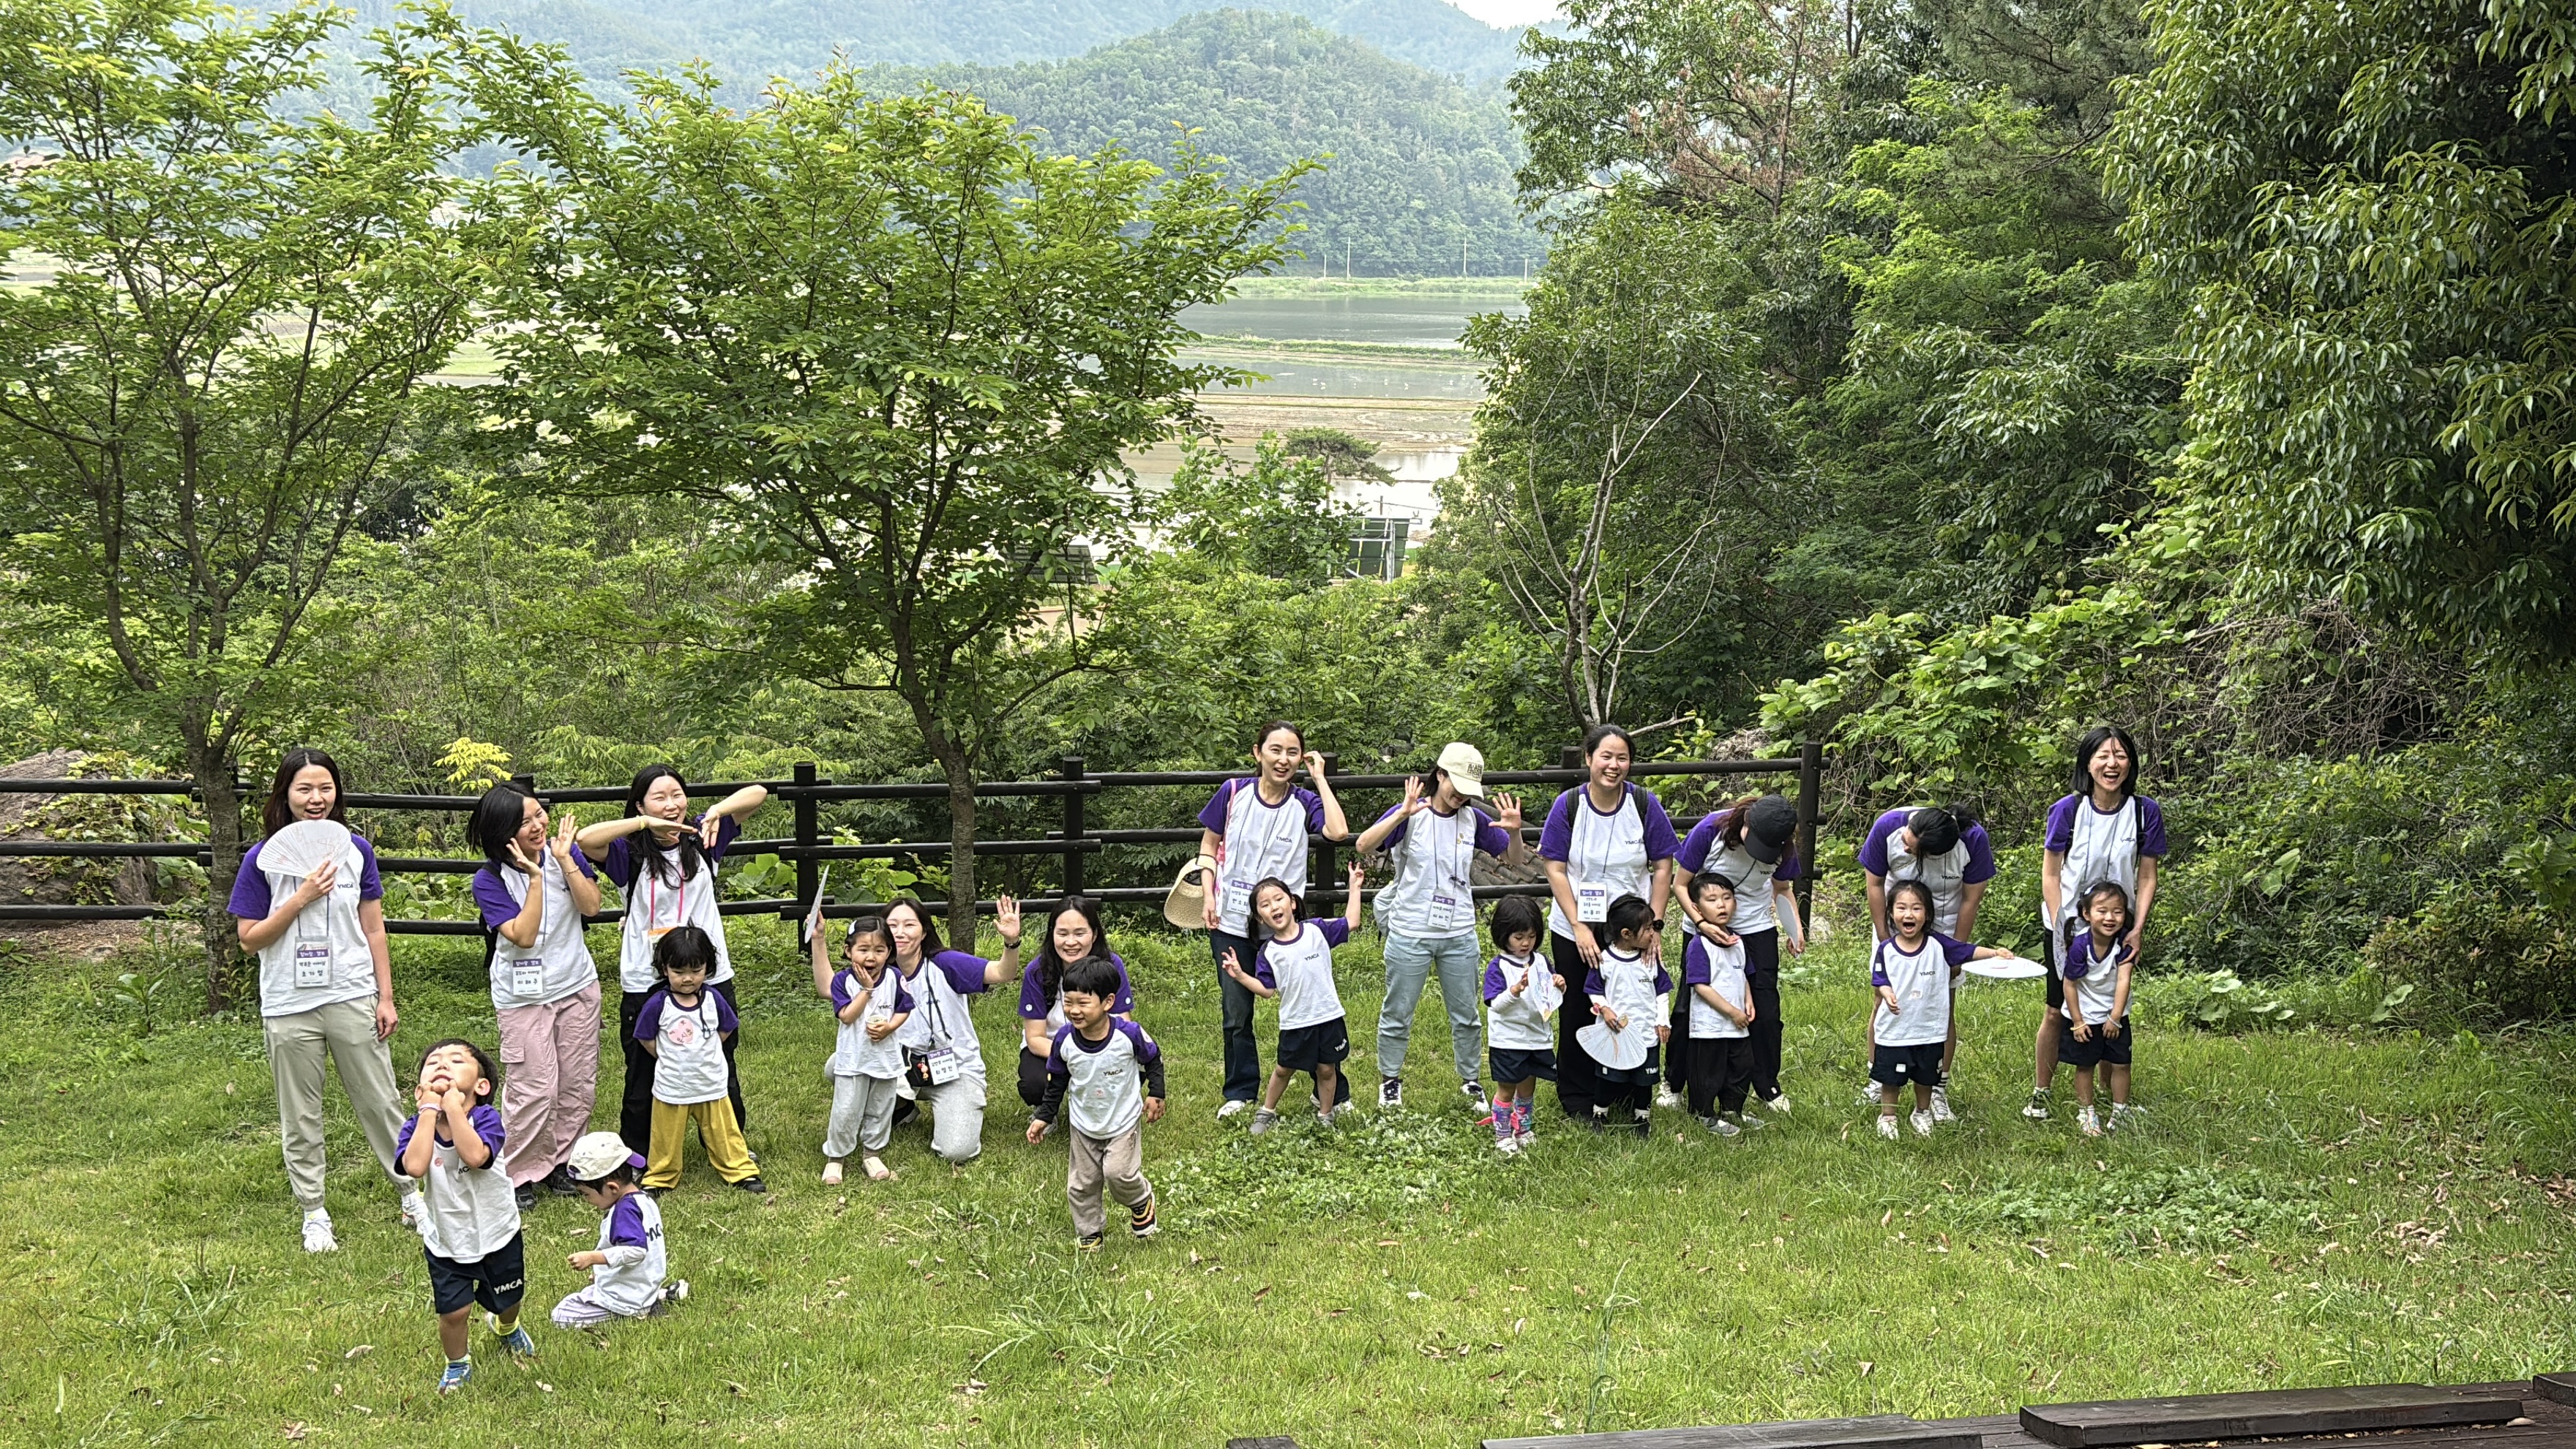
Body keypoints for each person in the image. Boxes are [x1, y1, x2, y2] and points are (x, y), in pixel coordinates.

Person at [228, 748, 422, 1252]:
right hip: (289, 1002)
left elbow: (373, 928)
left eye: (325, 788)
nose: (316, 799)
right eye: (304, 789)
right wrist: (301, 897)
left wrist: (385, 996)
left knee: (381, 1101)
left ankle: (411, 1195)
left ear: (337, 792)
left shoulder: (356, 850)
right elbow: (250, 939)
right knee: (300, 1114)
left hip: (352, 992)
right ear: (285, 794)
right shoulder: (261, 859)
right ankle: (314, 1211)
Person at [577, 767, 768, 1154]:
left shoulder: (703, 837)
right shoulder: (627, 852)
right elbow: (584, 839)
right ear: (640, 805)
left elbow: (758, 793)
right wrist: (644, 825)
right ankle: (640, 1152)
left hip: (708, 973)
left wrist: (716, 812)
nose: (671, 805)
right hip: (646, 976)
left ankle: (730, 1147)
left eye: (677, 794)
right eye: (659, 798)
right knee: (642, 1069)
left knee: (719, 1060)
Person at [1352, 742, 1527, 1114]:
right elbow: (1364, 845)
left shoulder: (1473, 819)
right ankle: (1390, 1080)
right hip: (1410, 930)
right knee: (1398, 1012)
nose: (1461, 796)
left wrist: (1514, 833)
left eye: (1468, 790)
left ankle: (1471, 1080)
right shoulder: (1412, 812)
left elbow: (1514, 860)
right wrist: (1401, 815)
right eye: (1456, 786)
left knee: (1466, 1015)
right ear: (1440, 775)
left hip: (1459, 931)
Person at [1197, 721, 1352, 1117]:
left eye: (1293, 752)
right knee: (1236, 1013)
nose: (1284, 760)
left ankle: (1331, 1091)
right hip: (1232, 920)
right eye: (1275, 750)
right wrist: (1208, 893)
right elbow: (1209, 845)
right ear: (1258, 753)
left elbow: (1338, 832)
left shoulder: (1304, 801)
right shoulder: (1233, 792)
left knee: (1313, 1005)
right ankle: (1240, 1092)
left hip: (1287, 928)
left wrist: (1320, 778)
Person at [468, 782, 604, 1209]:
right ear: (501, 831)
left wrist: (565, 861)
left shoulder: (564, 853)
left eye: (538, 814)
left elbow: (592, 906)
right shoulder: (489, 880)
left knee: (577, 1083)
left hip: (576, 985)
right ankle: (519, 1170)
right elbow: (523, 936)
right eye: (523, 821)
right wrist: (535, 879)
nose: (537, 825)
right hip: (522, 997)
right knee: (535, 1088)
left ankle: (564, 1162)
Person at [1539, 724, 1679, 1123]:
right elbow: (1555, 868)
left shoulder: (1644, 804)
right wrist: (1579, 927)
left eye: (1622, 758)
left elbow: (1663, 866)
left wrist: (1654, 927)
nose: (1613, 765)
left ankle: (1624, 1088)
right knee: (1580, 1009)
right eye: (1606, 756)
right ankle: (1578, 1095)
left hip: (1631, 931)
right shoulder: (1568, 805)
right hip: (1576, 926)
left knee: (1630, 1005)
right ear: (1589, 759)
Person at [2028, 725, 2168, 1120]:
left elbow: (2147, 876)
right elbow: (2051, 873)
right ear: (2087, 764)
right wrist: (2062, 925)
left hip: (2117, 927)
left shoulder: (2145, 812)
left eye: (2120, 755)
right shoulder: (2068, 810)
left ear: (2131, 764)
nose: (2112, 764)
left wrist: (2137, 928)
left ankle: (2110, 1095)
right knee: (2057, 1009)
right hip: (2068, 927)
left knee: (2112, 1006)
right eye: (2103, 756)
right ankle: (2041, 1092)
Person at [395, 1038, 532, 1396]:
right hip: (446, 1240)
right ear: (419, 1090)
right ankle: (457, 1362)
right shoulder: (416, 1126)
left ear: (481, 1086)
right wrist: (429, 1113)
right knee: (454, 1312)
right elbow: (414, 1167)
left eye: (456, 1061)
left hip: (497, 1233)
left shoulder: (486, 1118)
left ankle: (506, 1326)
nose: (442, 1064)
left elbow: (475, 1157)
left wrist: (454, 1110)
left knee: (508, 1299)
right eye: (433, 1062)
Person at [1857, 803, 1996, 1120]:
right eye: (1907, 839)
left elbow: (1971, 898)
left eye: (1912, 848)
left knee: (1942, 1005)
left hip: (1945, 925)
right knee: (1884, 1002)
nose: (1905, 845)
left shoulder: (1973, 840)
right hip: (1896, 924)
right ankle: (1878, 1078)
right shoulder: (1888, 826)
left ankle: (1937, 1090)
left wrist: (1957, 951)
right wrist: (1885, 939)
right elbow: (1875, 884)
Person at [1674, 793, 1802, 1116]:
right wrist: (1702, 924)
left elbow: (1782, 889)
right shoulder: (1710, 830)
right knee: (1690, 1006)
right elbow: (1680, 884)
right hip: (1703, 925)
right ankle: (1674, 1082)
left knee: (1766, 1011)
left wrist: (1795, 928)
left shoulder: (1784, 848)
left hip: (1754, 927)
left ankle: (1767, 1086)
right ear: (1745, 821)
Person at [1027, 956, 1169, 1250]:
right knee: (1082, 1184)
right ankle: (1090, 1232)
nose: (1074, 1010)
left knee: (1118, 1173)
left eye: (1083, 1003)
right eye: (1068, 1002)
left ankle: (1140, 1200)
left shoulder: (1128, 1034)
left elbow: (1153, 1058)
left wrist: (1156, 1093)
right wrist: (1044, 1115)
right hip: (1083, 1123)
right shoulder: (1064, 1039)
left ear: (1108, 1002)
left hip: (1122, 1120)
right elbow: (1057, 1080)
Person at [1221, 864, 1367, 1136]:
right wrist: (1240, 975)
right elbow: (1266, 990)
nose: (1274, 906)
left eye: (1278, 899)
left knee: (1327, 1069)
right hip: (1295, 1023)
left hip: (1329, 1018)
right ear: (1260, 918)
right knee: (1283, 1069)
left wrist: (1354, 887)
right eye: (1265, 905)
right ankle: (1267, 1112)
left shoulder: (1317, 930)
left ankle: (1326, 1115)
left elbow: (1352, 922)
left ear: (1293, 903)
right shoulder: (1268, 952)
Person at [883, 894, 1025, 1165]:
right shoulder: (877, 973)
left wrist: (1011, 942)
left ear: (924, 932)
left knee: (957, 1150)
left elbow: (1002, 973)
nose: (900, 932)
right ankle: (901, 1107)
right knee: (838, 1066)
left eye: (909, 925)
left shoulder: (946, 963)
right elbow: (828, 989)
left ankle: (923, 1104)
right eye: (892, 925)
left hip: (954, 1069)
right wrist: (818, 941)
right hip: (900, 1068)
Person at [1869, 880, 2013, 1139]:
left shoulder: (1939, 944)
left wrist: (1995, 953)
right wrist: (1887, 993)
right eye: (1902, 908)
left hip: (1930, 1030)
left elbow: (1968, 951)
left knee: (1926, 1078)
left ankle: (1922, 1112)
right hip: (1895, 1032)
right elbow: (1880, 980)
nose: (1909, 914)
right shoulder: (1886, 949)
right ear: (1891, 913)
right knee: (1891, 1079)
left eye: (1916, 908)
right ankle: (1888, 1115)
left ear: (1927, 915)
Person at [634, 926, 763, 1194]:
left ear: (708, 967)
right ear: (664, 969)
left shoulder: (714, 999)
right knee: (664, 1140)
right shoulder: (658, 1003)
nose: (688, 979)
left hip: (711, 1085)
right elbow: (645, 1038)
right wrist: (667, 1056)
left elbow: (726, 1029)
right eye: (678, 972)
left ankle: (741, 1172)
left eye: (696, 970)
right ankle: (660, 1178)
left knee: (726, 1135)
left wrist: (706, 1051)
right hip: (671, 1088)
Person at [812, 913, 913, 1184]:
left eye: (879, 950)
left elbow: (904, 1008)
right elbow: (846, 1016)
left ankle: (872, 1153)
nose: (871, 957)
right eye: (863, 949)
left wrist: (890, 1027)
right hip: (853, 1059)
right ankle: (836, 1158)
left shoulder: (895, 977)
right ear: (848, 951)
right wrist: (866, 990)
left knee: (881, 1108)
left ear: (889, 952)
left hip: (886, 1059)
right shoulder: (843, 981)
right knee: (846, 1111)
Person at [553, 1130, 686, 1328]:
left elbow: (636, 1251)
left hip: (627, 1297)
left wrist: (592, 1258)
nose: (587, 1200)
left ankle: (633, 1312)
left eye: (586, 1194)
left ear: (612, 1188)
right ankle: (658, 1296)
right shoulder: (644, 1200)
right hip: (642, 1284)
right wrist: (603, 1273)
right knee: (589, 1292)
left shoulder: (624, 1212)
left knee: (562, 1315)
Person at [1014, 896, 1133, 1110]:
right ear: (1052, 934)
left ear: (1094, 934)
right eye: (1062, 934)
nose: (1070, 942)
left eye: (1079, 934)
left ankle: (1107, 1108)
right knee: (1034, 1084)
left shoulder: (1112, 965)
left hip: (1101, 1047)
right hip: (1051, 1046)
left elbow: (1124, 1026)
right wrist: (1076, 1055)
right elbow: (1035, 1038)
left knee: (1130, 1067)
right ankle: (1045, 1110)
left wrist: (1098, 1056)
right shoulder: (1037, 971)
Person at [1582, 894, 1672, 1137]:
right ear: (1626, 934)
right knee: (1608, 1076)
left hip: (1646, 1034)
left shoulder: (1651, 960)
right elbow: (1594, 990)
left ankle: (1642, 1117)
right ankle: (1600, 1113)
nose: (1653, 934)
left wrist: (1663, 1019)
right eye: (1648, 929)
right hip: (1614, 1035)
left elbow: (1662, 991)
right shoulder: (1605, 960)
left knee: (1645, 1080)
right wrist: (1605, 1009)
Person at [1479, 895, 1560, 1154]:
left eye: (1532, 936)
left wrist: (1559, 986)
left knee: (1528, 1087)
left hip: (1537, 1037)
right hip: (1508, 1040)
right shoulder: (1499, 967)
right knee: (1507, 1088)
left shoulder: (1542, 962)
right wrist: (1515, 990)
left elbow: (1550, 998)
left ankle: (1523, 1128)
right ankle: (1503, 1135)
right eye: (1519, 937)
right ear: (1503, 935)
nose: (1526, 943)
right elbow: (1496, 1005)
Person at [1679, 875, 1759, 1137]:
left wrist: (1747, 1001)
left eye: (1727, 898)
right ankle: (1703, 1113)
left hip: (1738, 1025)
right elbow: (1700, 986)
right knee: (1708, 1072)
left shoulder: (1738, 941)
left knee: (1740, 1068)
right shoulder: (1699, 944)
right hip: (1710, 1027)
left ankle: (1731, 1109)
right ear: (1697, 908)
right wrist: (1732, 1012)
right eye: (1712, 900)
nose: (1721, 905)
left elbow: (1743, 974)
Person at [2058, 882, 2138, 1137]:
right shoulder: (2080, 945)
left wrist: (2116, 1017)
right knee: (2085, 1065)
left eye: (2117, 911)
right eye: (2102, 911)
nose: (2110, 918)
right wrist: (2078, 1022)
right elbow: (2069, 984)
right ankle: (2087, 1112)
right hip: (2085, 1015)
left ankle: (2121, 1111)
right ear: (2087, 914)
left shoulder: (2125, 943)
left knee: (2121, 1064)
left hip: (2115, 1014)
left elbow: (2124, 979)